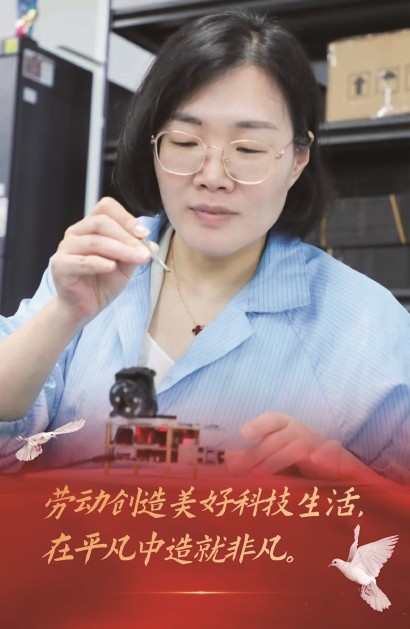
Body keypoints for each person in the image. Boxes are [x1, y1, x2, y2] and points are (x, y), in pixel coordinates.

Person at [0, 11, 409, 482]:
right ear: (154, 144)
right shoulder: (96, 263)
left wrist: (349, 480)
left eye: (248, 149)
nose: (212, 177)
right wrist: (63, 315)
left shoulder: (365, 325)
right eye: (184, 141)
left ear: (297, 158)